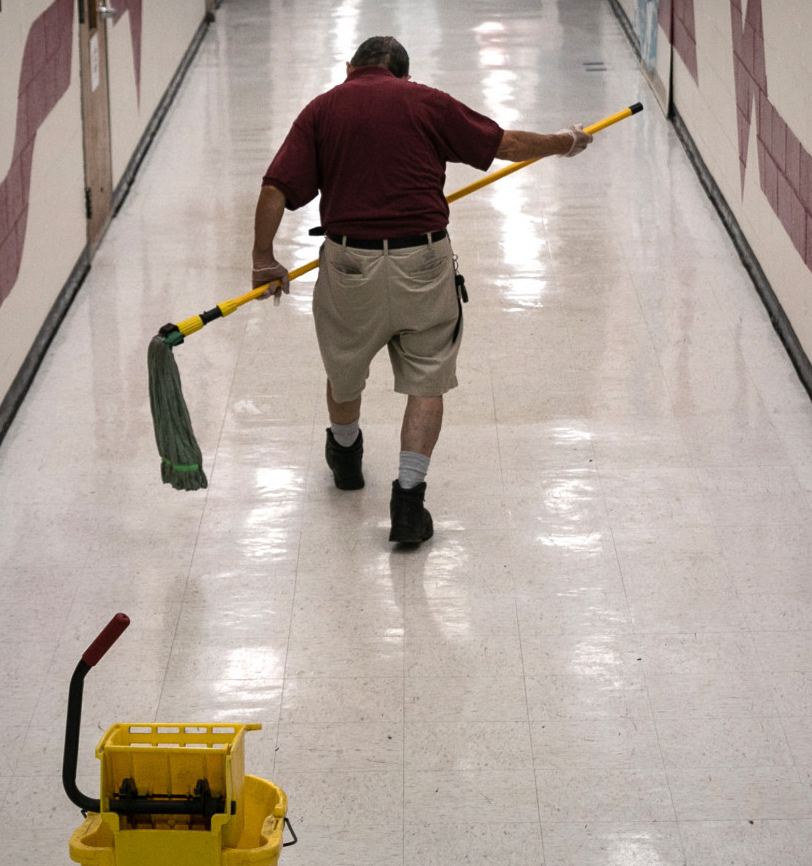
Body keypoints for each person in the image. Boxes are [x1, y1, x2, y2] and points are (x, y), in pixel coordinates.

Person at [254, 35, 597, 547]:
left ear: (349, 67)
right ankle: (409, 503)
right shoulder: (426, 101)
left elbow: (276, 187)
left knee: (344, 369)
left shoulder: (321, 110)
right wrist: (562, 142)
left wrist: (263, 259)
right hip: (424, 260)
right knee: (426, 380)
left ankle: (345, 456)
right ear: (404, 75)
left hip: (349, 264)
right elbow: (504, 144)